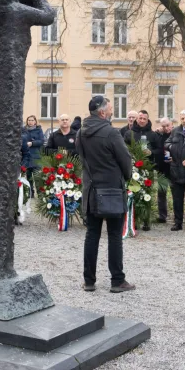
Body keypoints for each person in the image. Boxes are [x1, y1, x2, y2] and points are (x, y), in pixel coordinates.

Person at [76, 96, 136, 293]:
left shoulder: (81, 133)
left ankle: (89, 281)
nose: (112, 111)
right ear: (102, 112)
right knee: (114, 236)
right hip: (112, 191)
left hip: (91, 190)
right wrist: (125, 177)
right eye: (110, 108)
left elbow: (82, 159)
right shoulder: (111, 133)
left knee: (92, 234)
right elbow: (125, 160)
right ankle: (117, 280)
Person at [154, 117, 174, 223]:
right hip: (161, 168)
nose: (166, 128)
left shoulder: (176, 134)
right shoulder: (159, 135)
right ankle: (162, 216)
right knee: (161, 193)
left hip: (174, 168)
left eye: (167, 125)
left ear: (172, 124)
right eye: (163, 126)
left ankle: (177, 216)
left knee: (176, 193)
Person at [21, 114, 44, 198]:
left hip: (36, 156)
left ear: (35, 122)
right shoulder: (24, 130)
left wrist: (32, 143)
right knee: (28, 176)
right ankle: (31, 193)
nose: (30, 122)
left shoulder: (39, 130)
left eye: (32, 120)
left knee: (37, 176)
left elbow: (41, 141)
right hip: (27, 156)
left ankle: (40, 193)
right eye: (29, 120)